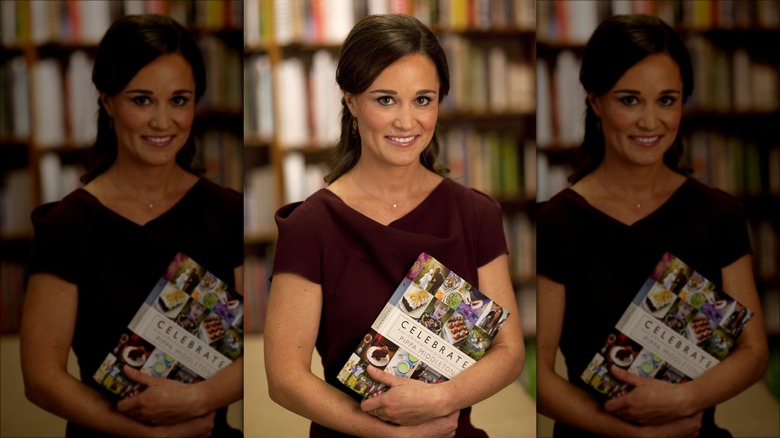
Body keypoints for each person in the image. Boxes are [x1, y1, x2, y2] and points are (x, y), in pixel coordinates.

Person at [264, 13, 525, 438]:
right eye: (385, 99)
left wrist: (444, 399)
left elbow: (510, 350)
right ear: (350, 101)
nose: (407, 122)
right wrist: (391, 434)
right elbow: (284, 379)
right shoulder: (312, 225)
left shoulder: (477, 213)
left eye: (423, 99)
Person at [536, 14, 768, 438]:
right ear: (595, 101)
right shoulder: (557, 221)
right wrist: (635, 434)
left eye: (667, 100)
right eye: (629, 100)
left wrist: (688, 399)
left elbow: (753, 351)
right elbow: (539, 375)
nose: (650, 121)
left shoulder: (720, 214)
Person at [20, 14, 243, 438]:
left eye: (179, 100)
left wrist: (201, 398)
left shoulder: (230, 213)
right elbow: (41, 378)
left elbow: (268, 353)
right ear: (107, 101)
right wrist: (146, 434)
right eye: (141, 100)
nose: (163, 121)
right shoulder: (67, 224)